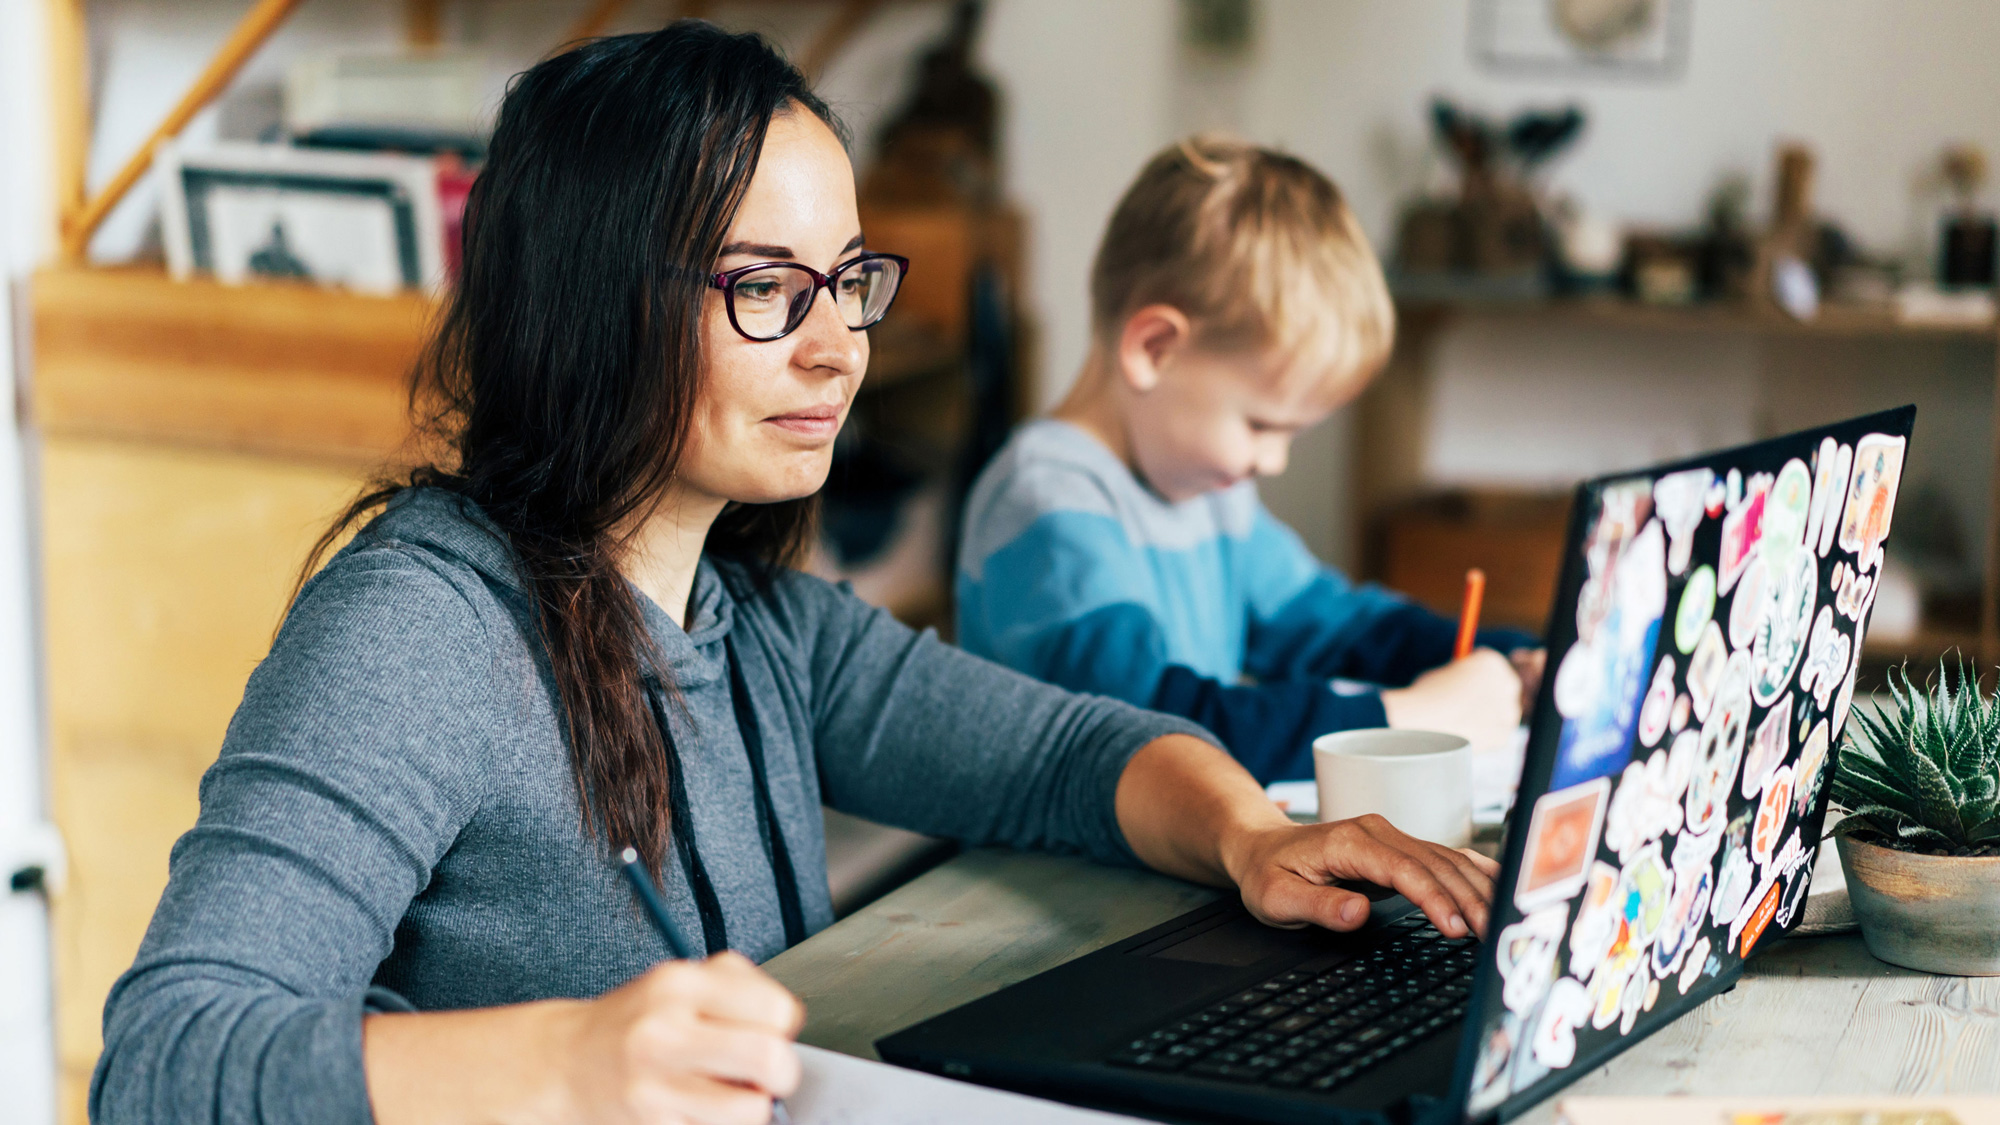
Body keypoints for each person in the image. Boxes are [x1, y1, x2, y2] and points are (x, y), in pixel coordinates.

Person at [91, 25, 1498, 1125]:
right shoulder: (417, 631)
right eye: (766, 287)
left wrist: (1250, 837)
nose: (839, 348)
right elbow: (163, 1064)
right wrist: (570, 1062)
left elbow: (1066, 754)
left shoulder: (758, 622)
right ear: (599, 302)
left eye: (847, 281)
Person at [955, 137, 1543, 786]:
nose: (1275, 460)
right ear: (1155, 348)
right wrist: (1403, 716)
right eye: (1262, 423)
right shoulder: (1048, 503)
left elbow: (1334, 626)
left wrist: (1511, 657)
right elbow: (1158, 729)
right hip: (1045, 876)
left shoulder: (1206, 490)